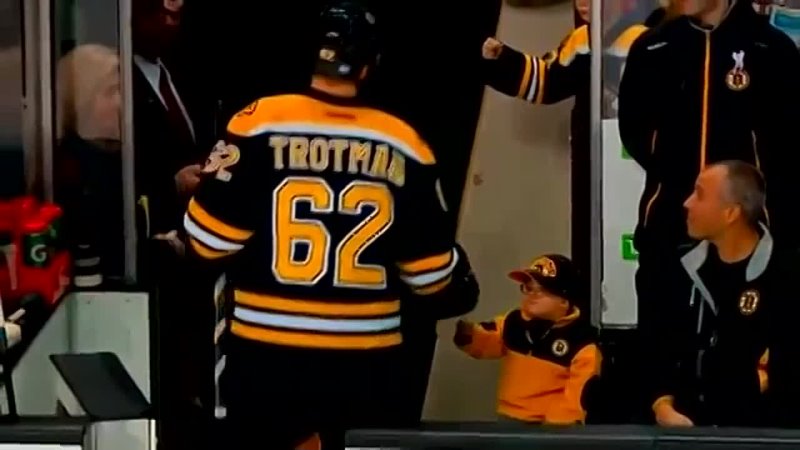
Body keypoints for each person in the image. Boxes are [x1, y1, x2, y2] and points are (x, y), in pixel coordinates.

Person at [185, 2, 480, 449]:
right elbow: (433, 280)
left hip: (265, 359)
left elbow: (206, 244)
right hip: (366, 366)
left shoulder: (257, 121)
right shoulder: (406, 143)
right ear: (370, 65)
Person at [618, 0, 800, 340]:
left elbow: (788, 147)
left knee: (742, 357)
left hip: (748, 240)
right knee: (663, 357)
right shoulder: (652, 47)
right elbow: (635, 131)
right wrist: (679, 185)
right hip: (668, 230)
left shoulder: (772, 49)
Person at [479, 0, 673, 281]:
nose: (582, 1)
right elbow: (545, 82)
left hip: (659, 167)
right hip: (600, 166)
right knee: (600, 257)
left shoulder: (669, 32)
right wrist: (500, 57)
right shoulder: (586, 38)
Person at [651, 161, 800, 427]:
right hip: (686, 434)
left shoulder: (786, 276)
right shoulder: (680, 267)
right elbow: (657, 349)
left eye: (699, 194)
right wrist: (663, 406)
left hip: (762, 437)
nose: (686, 203)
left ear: (731, 213)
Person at [454, 254, 600, 424]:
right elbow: (488, 340)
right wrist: (461, 331)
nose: (532, 295)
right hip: (507, 417)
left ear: (564, 299)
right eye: (528, 288)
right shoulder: (514, 321)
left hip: (550, 428)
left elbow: (577, 397)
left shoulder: (582, 341)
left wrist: (556, 432)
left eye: (541, 290)